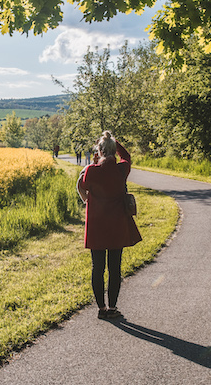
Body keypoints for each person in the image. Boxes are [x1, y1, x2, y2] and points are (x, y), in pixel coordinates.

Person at [77, 131, 141, 319]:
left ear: (99, 151)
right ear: (113, 150)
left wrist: (99, 153)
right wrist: (114, 142)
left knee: (97, 268)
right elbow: (127, 156)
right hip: (117, 225)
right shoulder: (121, 170)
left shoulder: (91, 171)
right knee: (115, 268)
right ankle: (112, 308)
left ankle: (101, 308)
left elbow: (84, 185)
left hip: (96, 225)